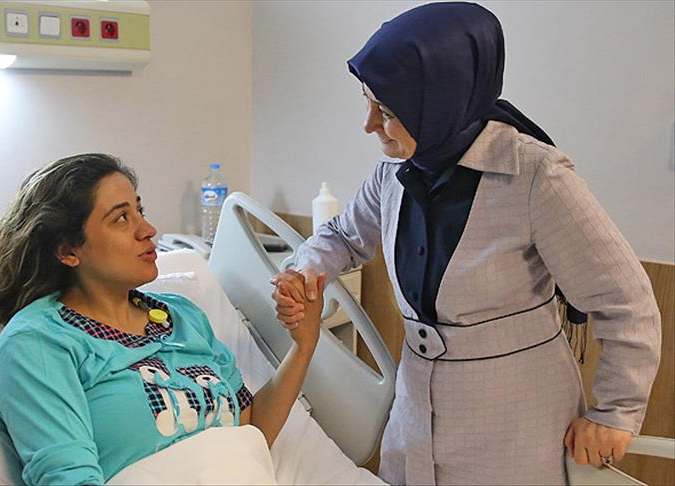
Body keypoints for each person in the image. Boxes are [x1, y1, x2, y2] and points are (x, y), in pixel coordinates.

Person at [271, 3, 662, 485]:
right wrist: (304, 271)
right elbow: (341, 235)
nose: (368, 124)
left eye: (386, 111)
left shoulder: (536, 177)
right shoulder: (394, 172)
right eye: (367, 103)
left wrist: (615, 413)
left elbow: (626, 300)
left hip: (515, 426)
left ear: (438, 103)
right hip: (416, 413)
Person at [0, 153, 326, 485]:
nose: (147, 229)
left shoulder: (181, 316)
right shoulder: (41, 341)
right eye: (121, 218)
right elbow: (69, 478)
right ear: (67, 250)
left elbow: (251, 429)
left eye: (140, 211)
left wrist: (304, 345)